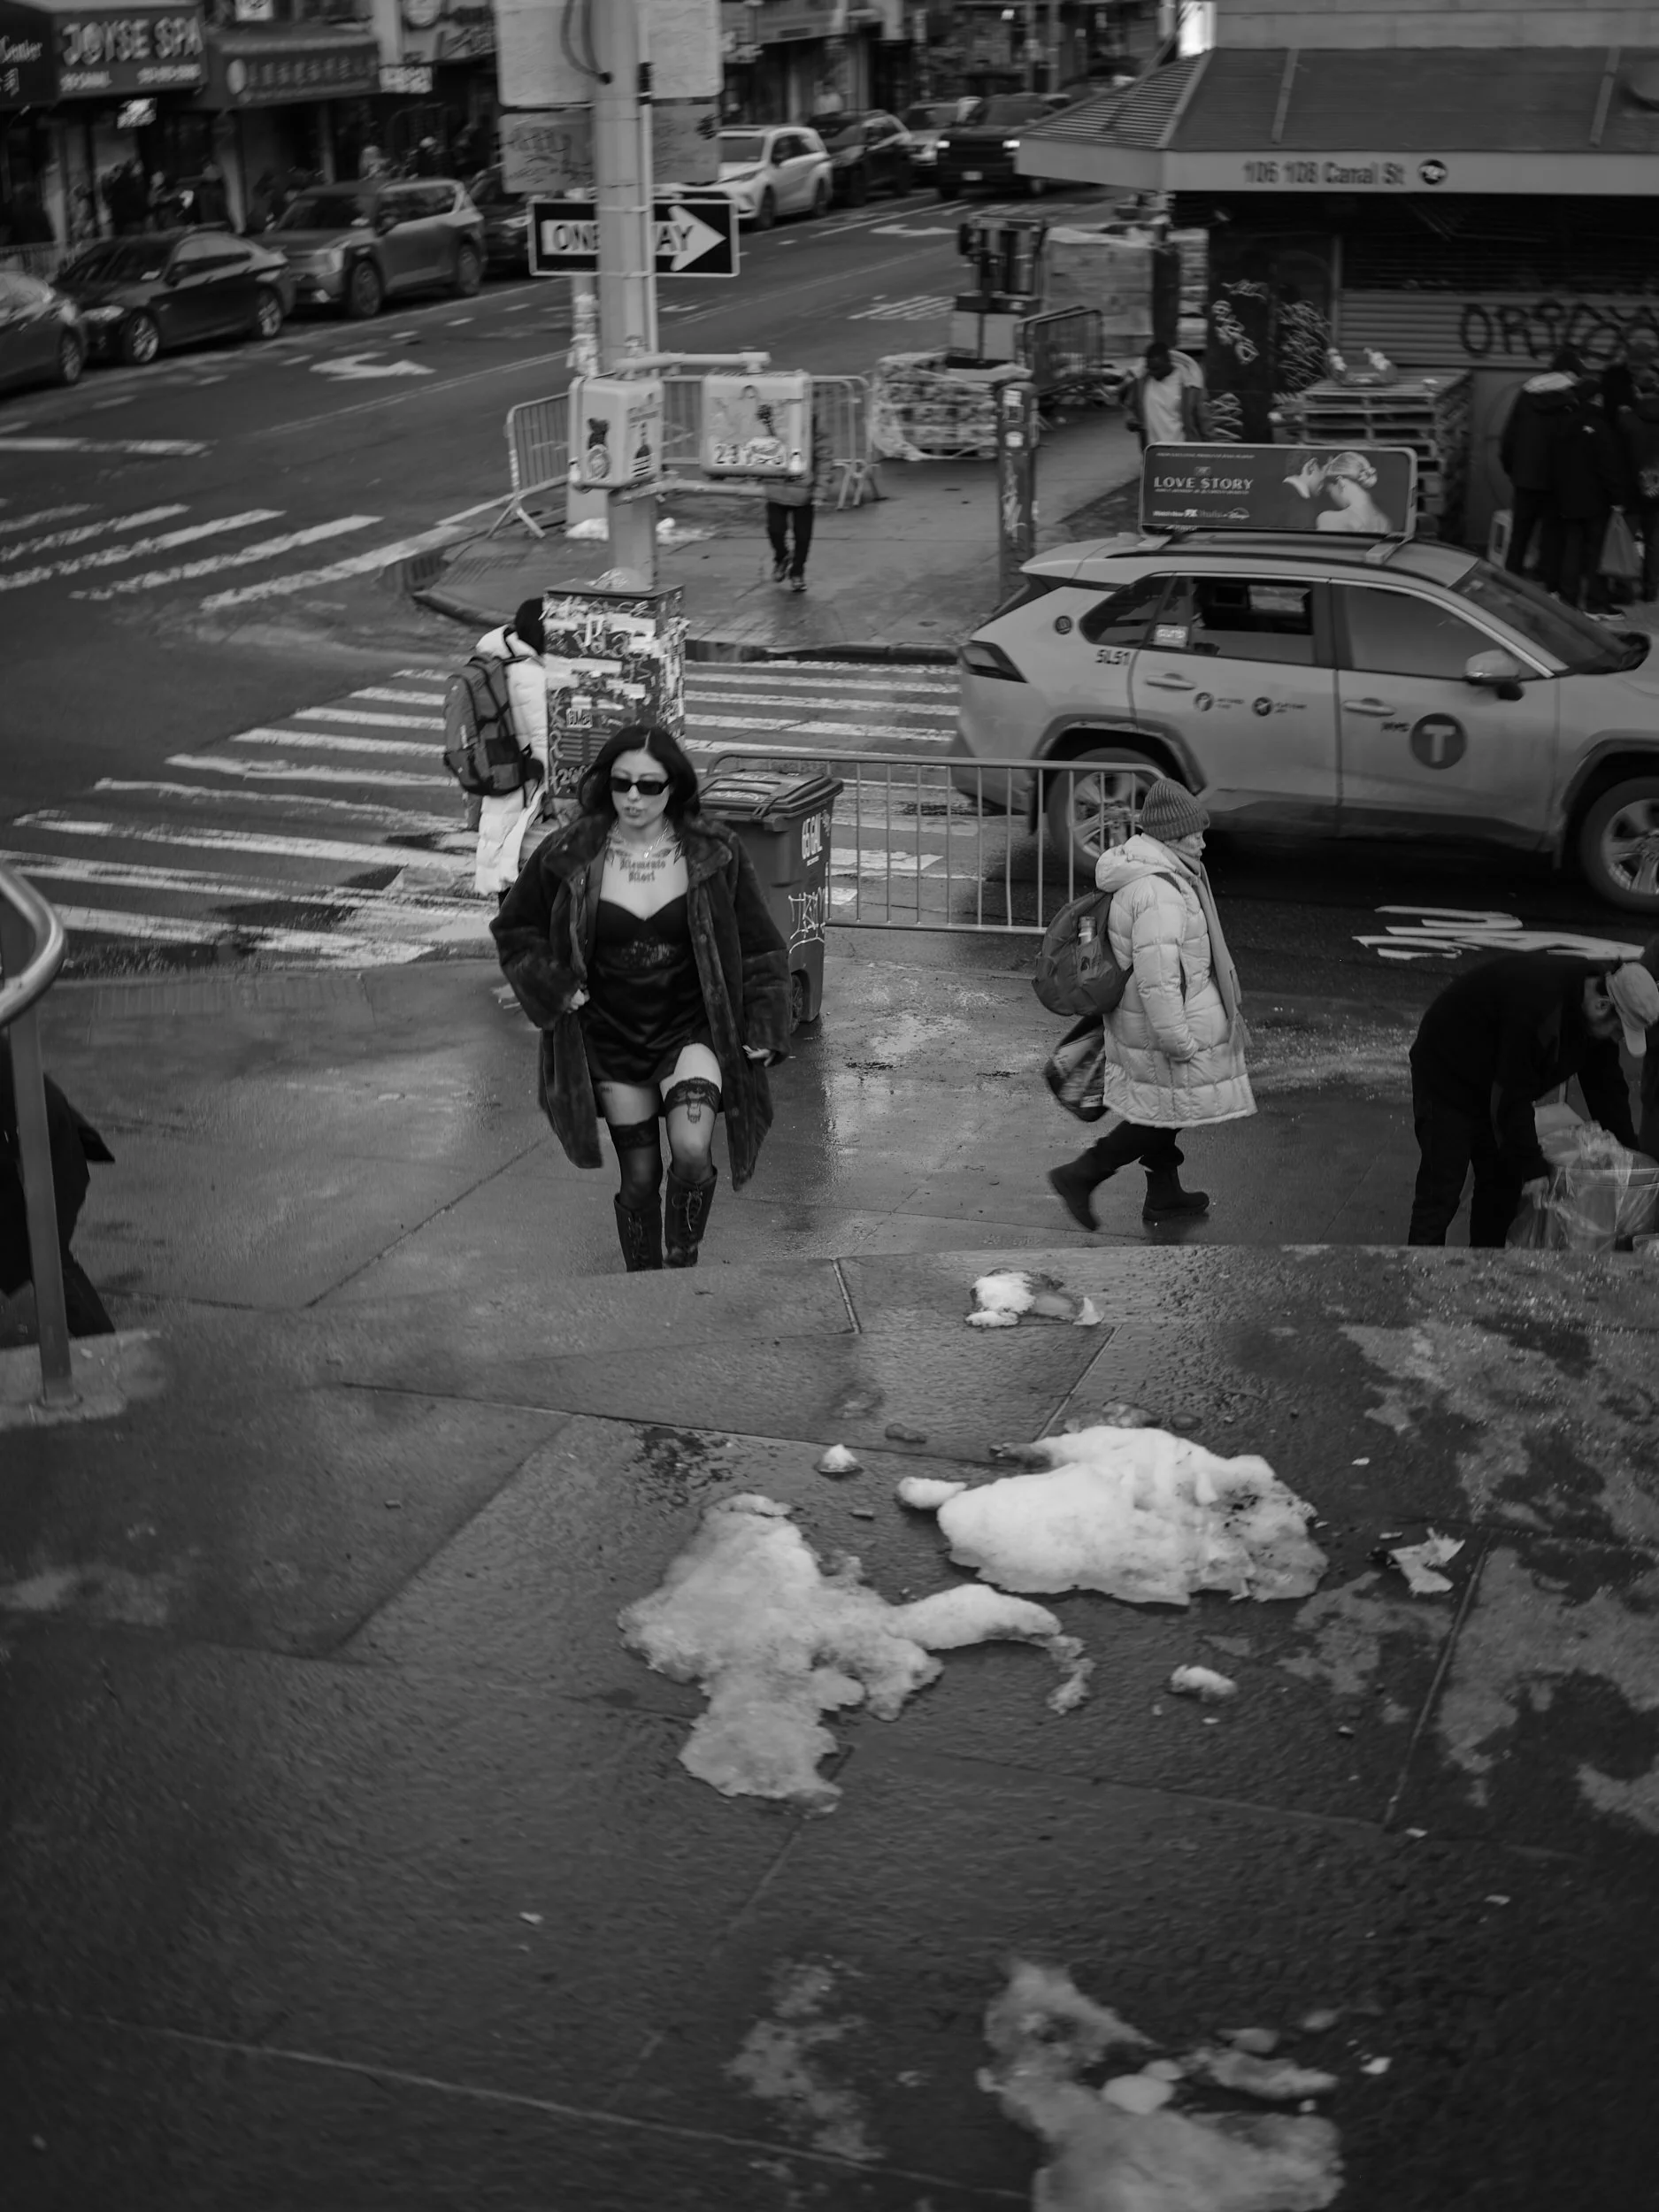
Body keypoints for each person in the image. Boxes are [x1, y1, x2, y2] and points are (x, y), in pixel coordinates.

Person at [491, 724, 791, 1271]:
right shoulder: (571, 852)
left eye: (649, 786)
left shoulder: (714, 852)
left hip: (690, 1030)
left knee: (694, 1149)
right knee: (641, 1177)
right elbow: (516, 931)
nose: (633, 796)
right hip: (610, 1035)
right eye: (622, 782)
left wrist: (767, 1024)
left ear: (672, 788)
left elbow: (759, 946)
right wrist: (555, 987)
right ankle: (643, 1282)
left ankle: (681, 1253)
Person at [1047, 780, 1254, 1230]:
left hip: (1146, 1022)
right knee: (1157, 1117)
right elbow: (1159, 981)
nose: (1202, 841)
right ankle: (1080, 1175)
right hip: (1160, 1026)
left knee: (1167, 1108)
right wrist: (1177, 1038)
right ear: (1171, 836)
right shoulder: (1160, 893)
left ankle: (1164, 1193)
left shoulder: (1163, 875)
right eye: (1194, 833)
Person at [1407, 953, 1659, 1247]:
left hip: (1498, 1078)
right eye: (1618, 1030)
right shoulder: (1540, 1006)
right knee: (1442, 1190)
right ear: (1602, 1006)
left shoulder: (1597, 1008)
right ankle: (1417, 1274)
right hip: (1448, 1072)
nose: (1618, 1039)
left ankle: (1485, 1268)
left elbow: (1607, 1090)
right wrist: (1534, 1169)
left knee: (1501, 1185)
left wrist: (1630, 1160)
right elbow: (1511, 1097)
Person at [0, 1061, 115, 1339]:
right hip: (30, 1146)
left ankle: (105, 1346)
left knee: (45, 1257)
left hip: (33, 1157)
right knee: (41, 1254)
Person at [472, 598, 551, 902]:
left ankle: (509, 927)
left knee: (501, 846)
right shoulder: (530, 675)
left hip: (501, 774)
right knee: (515, 857)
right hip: (524, 784)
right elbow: (543, 741)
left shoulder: (501, 660)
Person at [1542, 379, 1629, 610]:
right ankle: (1596, 602)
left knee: (1571, 549)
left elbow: (1552, 462)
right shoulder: (1599, 426)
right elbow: (1608, 466)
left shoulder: (1563, 424)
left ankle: (1568, 599)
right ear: (1597, 398)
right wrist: (1617, 498)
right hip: (1595, 502)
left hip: (1567, 501)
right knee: (1595, 554)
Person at [1499, 349, 1583, 579]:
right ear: (1571, 372)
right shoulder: (1574, 398)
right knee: (1554, 534)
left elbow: (1510, 437)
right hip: (1557, 480)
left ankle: (1511, 578)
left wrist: (1513, 469)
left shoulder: (1527, 394)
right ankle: (1549, 581)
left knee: (1520, 533)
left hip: (1525, 478)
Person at [766, 403, 826, 595]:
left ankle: (797, 572)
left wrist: (820, 490)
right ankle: (782, 556)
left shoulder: (813, 426)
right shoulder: (771, 421)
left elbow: (825, 458)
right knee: (775, 531)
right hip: (776, 487)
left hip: (804, 491)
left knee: (803, 537)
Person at [1617, 363, 1659, 604]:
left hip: (1631, 491)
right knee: (1655, 543)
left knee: (1626, 541)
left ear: (1637, 390)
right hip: (1658, 492)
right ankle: (1650, 590)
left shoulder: (1627, 419)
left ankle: (1624, 591)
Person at [1126, 342, 1205, 450]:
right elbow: (1130, 406)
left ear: (1168, 363)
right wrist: (1131, 420)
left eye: (1156, 368)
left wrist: (1213, 449)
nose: (1152, 373)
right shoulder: (1142, 383)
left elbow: (1203, 419)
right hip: (1153, 452)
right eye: (1149, 368)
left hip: (1183, 450)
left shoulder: (1189, 385)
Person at [1601, 325, 1659, 426]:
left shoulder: (1653, 376)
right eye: (1633, 367)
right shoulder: (1614, 374)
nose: (1634, 371)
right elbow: (1608, 399)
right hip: (1616, 424)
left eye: (1639, 368)